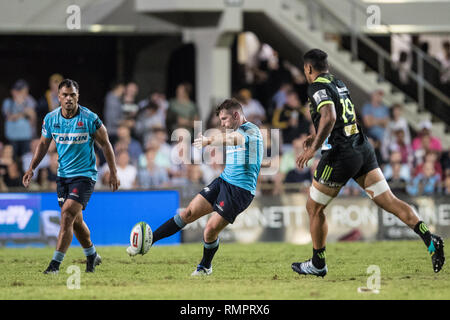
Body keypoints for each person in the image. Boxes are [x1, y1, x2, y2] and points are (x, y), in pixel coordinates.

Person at [292, 49, 445, 277]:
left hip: (341, 154)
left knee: (314, 208)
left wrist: (314, 148)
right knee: (390, 201)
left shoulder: (316, 86)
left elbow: (330, 117)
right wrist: (317, 137)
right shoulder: (338, 82)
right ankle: (430, 238)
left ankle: (318, 263)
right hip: (361, 148)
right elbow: (345, 117)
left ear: (309, 68)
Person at [128, 99, 263, 276]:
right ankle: (149, 240)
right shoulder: (233, 130)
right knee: (187, 213)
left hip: (240, 191)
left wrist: (210, 140)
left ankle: (205, 266)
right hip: (223, 181)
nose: (222, 123)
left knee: (209, 230)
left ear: (236, 115)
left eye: (224, 119)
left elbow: (233, 139)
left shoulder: (250, 131)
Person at [22, 79, 120, 274]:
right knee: (75, 221)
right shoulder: (51, 119)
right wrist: (32, 168)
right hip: (63, 176)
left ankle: (54, 265)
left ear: (78, 97)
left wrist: (113, 172)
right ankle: (92, 255)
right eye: (65, 95)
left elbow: (106, 144)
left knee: (67, 215)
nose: (68, 99)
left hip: (84, 176)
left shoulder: (90, 118)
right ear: (58, 97)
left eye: (72, 95)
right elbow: (42, 145)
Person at [2, 79, 37, 158]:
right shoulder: (8, 102)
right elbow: (10, 117)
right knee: (12, 159)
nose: (23, 93)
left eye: (25, 90)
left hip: (27, 138)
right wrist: (23, 110)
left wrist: (22, 107)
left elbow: (32, 117)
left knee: (27, 159)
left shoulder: (30, 100)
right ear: (13, 91)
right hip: (12, 138)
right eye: (20, 91)